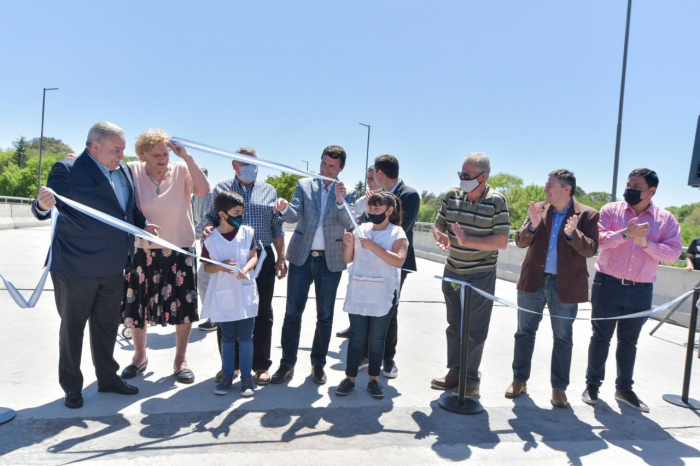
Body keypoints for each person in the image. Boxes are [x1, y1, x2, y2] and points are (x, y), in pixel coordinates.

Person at [32, 121, 159, 409]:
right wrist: (41, 205)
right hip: (75, 267)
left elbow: (128, 209)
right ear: (95, 146)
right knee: (72, 329)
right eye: (117, 150)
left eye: (123, 150)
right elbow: (47, 206)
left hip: (114, 266)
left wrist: (142, 225)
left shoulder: (124, 171)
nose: (122, 156)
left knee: (105, 327)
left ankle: (108, 378)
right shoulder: (67, 169)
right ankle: (72, 387)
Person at [582, 168, 682, 412]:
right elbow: (599, 241)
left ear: (651, 191)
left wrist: (645, 243)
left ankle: (624, 389)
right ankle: (592, 385)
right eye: (629, 185)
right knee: (600, 337)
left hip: (641, 290)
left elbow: (673, 253)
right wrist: (626, 233)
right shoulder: (610, 210)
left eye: (637, 187)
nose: (630, 190)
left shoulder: (665, 219)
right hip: (607, 284)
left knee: (629, 342)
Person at [120, 129, 210, 385]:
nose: (163, 158)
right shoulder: (132, 170)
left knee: (184, 307)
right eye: (157, 154)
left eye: (166, 153)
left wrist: (188, 158)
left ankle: (180, 360)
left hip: (179, 249)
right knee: (137, 305)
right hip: (142, 249)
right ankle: (139, 357)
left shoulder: (182, 170)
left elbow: (203, 191)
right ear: (143, 155)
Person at [508, 169, 599, 407]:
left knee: (563, 338)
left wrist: (573, 234)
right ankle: (519, 380)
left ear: (567, 189)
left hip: (565, 287)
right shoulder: (537, 210)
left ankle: (559, 388)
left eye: (550, 185)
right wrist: (533, 226)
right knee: (524, 333)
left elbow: (590, 249)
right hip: (533, 282)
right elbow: (519, 241)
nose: (545, 189)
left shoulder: (588, 215)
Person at [201, 147, 287, 385]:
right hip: (229, 256)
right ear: (234, 165)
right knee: (227, 308)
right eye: (244, 163)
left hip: (261, 257)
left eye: (253, 163)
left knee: (261, 310)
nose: (250, 167)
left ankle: (260, 365)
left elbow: (277, 226)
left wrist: (281, 257)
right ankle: (232, 366)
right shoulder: (221, 189)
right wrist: (207, 228)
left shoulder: (269, 190)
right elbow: (210, 218)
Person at [270, 145, 356, 385]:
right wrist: (285, 207)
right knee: (292, 313)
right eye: (323, 163)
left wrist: (340, 201)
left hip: (331, 261)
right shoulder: (304, 185)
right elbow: (294, 215)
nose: (325, 169)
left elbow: (349, 222)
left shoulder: (348, 190)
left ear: (341, 168)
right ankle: (287, 364)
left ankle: (318, 365)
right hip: (301, 257)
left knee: (325, 316)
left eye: (331, 166)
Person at [430, 152, 510, 397]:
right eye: (461, 174)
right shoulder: (451, 196)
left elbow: (502, 241)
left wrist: (468, 241)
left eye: (467, 175)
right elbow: (438, 224)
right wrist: (440, 235)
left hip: (480, 276)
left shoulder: (497, 202)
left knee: (475, 329)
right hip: (453, 273)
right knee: (454, 325)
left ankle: (471, 380)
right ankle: (455, 373)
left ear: (483, 177)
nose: (462, 179)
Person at [335, 192, 408, 399]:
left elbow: (399, 260)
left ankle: (374, 380)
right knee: (357, 337)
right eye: (370, 208)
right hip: (359, 289)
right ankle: (349, 378)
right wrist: (350, 244)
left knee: (377, 338)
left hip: (383, 293)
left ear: (389, 211)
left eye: (377, 209)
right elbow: (348, 259)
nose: (373, 212)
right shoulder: (361, 229)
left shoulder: (397, 233)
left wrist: (374, 246)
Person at [201, 192, 259, 396]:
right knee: (227, 338)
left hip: (245, 293)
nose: (240, 217)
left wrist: (247, 269)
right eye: (236, 213)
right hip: (223, 294)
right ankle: (227, 377)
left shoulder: (248, 233)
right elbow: (207, 268)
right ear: (222, 214)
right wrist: (220, 267)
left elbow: (254, 256)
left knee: (245, 337)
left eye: (242, 213)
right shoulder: (211, 239)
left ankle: (246, 378)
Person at [336, 165, 378, 339]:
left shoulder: (389, 200)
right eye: (367, 178)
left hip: (378, 258)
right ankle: (354, 326)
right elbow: (354, 223)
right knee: (355, 293)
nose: (368, 182)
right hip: (360, 256)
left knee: (375, 299)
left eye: (372, 178)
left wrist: (371, 210)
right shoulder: (361, 200)